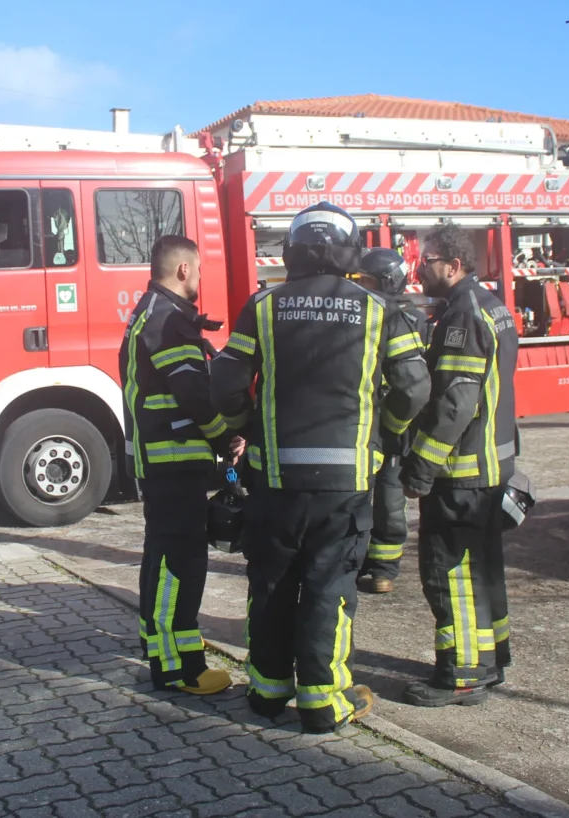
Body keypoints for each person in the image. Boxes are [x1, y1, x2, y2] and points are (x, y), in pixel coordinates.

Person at [211, 202, 432, 734]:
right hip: (345, 484)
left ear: (291, 249)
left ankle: (265, 692)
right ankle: (323, 702)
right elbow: (414, 388)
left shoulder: (262, 306)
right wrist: (387, 433)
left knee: (270, 584)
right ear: (348, 250)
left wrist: (240, 424)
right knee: (329, 587)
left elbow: (225, 382)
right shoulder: (379, 309)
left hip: (274, 481)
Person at [119, 235, 245, 697]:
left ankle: (160, 647)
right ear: (185, 270)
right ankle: (180, 668)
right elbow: (192, 392)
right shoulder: (169, 321)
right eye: (200, 271)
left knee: (161, 558)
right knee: (180, 564)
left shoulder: (150, 314)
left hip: (164, 467)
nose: (201, 280)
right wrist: (225, 436)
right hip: (175, 467)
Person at [399, 224, 519, 709]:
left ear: (452, 265)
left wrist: (422, 466)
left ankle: (464, 674)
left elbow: (457, 402)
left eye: (425, 261)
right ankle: (493, 658)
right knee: (484, 569)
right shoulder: (491, 306)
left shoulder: (461, 317)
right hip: (492, 469)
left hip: (462, 472)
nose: (418, 270)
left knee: (449, 572)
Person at [354, 247, 431, 594]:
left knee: (387, 496)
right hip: (379, 419)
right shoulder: (398, 316)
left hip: (391, 422)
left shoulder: (406, 320)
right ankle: (366, 563)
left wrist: (395, 424)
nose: (361, 287)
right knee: (363, 493)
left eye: (367, 280)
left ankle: (383, 569)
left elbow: (416, 382)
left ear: (387, 281)